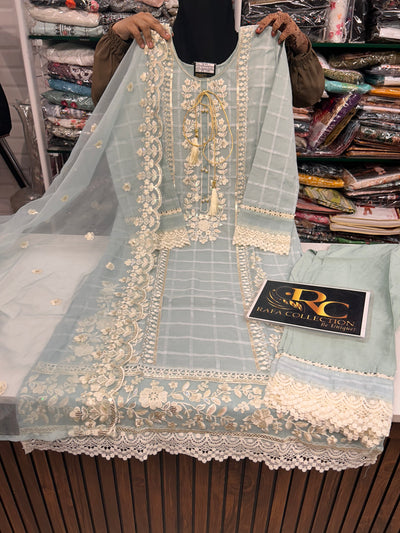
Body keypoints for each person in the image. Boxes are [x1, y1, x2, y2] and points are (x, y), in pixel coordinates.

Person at [92, 8, 325, 107]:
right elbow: (103, 98)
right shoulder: (150, 42)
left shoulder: (261, 43)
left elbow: (309, 94)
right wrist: (118, 35)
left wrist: (300, 45)